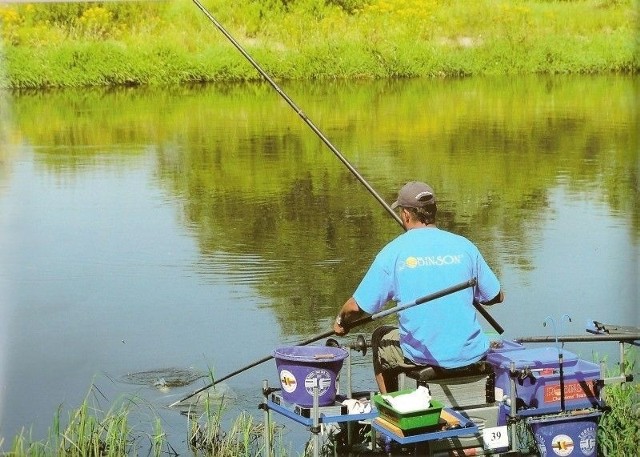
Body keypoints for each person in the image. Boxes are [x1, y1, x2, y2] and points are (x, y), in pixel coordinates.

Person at [333, 181, 504, 393]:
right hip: (472, 353)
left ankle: (391, 408)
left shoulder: (393, 253)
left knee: (380, 336)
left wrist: (342, 321)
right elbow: (495, 296)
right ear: (433, 212)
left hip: (423, 358)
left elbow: (357, 308)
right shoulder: (464, 246)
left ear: (405, 214)